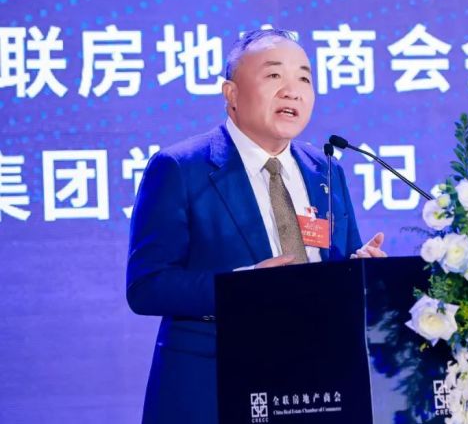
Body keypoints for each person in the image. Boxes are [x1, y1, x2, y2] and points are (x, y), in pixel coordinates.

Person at [126, 28, 386, 423]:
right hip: (215, 389)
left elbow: (335, 268)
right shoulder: (180, 168)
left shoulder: (326, 170)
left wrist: (360, 271)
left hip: (315, 386)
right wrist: (243, 288)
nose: (292, 91)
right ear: (231, 94)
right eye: (274, 75)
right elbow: (147, 286)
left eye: (304, 78)